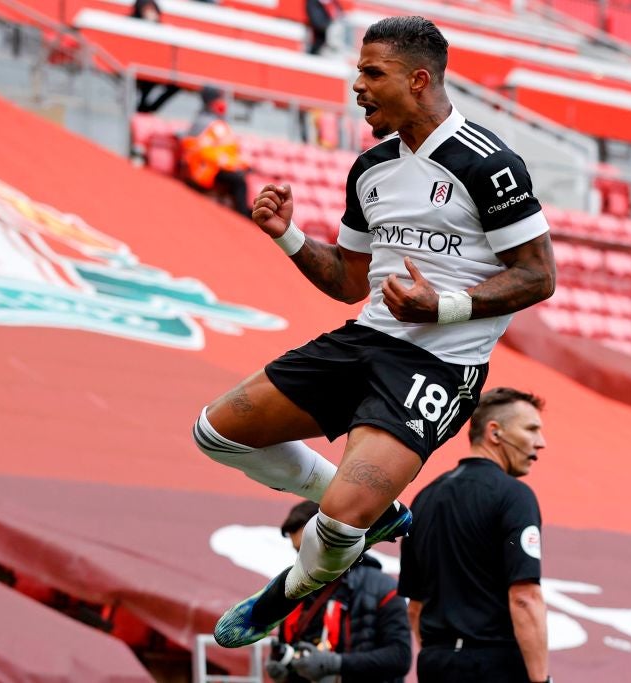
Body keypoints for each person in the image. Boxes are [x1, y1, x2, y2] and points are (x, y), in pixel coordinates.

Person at [191, 15, 556, 650]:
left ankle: (289, 591)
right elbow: (349, 281)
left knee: (335, 527)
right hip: (367, 340)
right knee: (216, 433)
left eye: (371, 73)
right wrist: (289, 237)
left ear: (419, 80)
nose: (357, 86)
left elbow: (538, 276)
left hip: (439, 365)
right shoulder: (372, 168)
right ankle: (375, 511)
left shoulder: (489, 163)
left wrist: (439, 307)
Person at [399, 387, 551, 683]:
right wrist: (540, 680)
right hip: (493, 665)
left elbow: (415, 607)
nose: (540, 443)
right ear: (495, 433)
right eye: (531, 429)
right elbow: (525, 597)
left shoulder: (425, 498)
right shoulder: (514, 496)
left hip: (435, 663)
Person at [264, 501, 411, 683]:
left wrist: (336, 664)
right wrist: (281, 665)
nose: (304, 558)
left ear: (334, 537)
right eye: (299, 551)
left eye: (309, 548)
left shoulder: (384, 587)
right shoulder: (295, 589)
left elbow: (400, 657)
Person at [180, 86, 252, 217]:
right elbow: (202, 151)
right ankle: (243, 215)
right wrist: (232, 164)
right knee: (239, 181)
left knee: (242, 175)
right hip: (205, 170)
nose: (223, 103)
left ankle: (245, 212)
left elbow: (229, 149)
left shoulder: (217, 121)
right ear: (212, 101)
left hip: (217, 166)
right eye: (220, 99)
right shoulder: (204, 122)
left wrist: (239, 163)